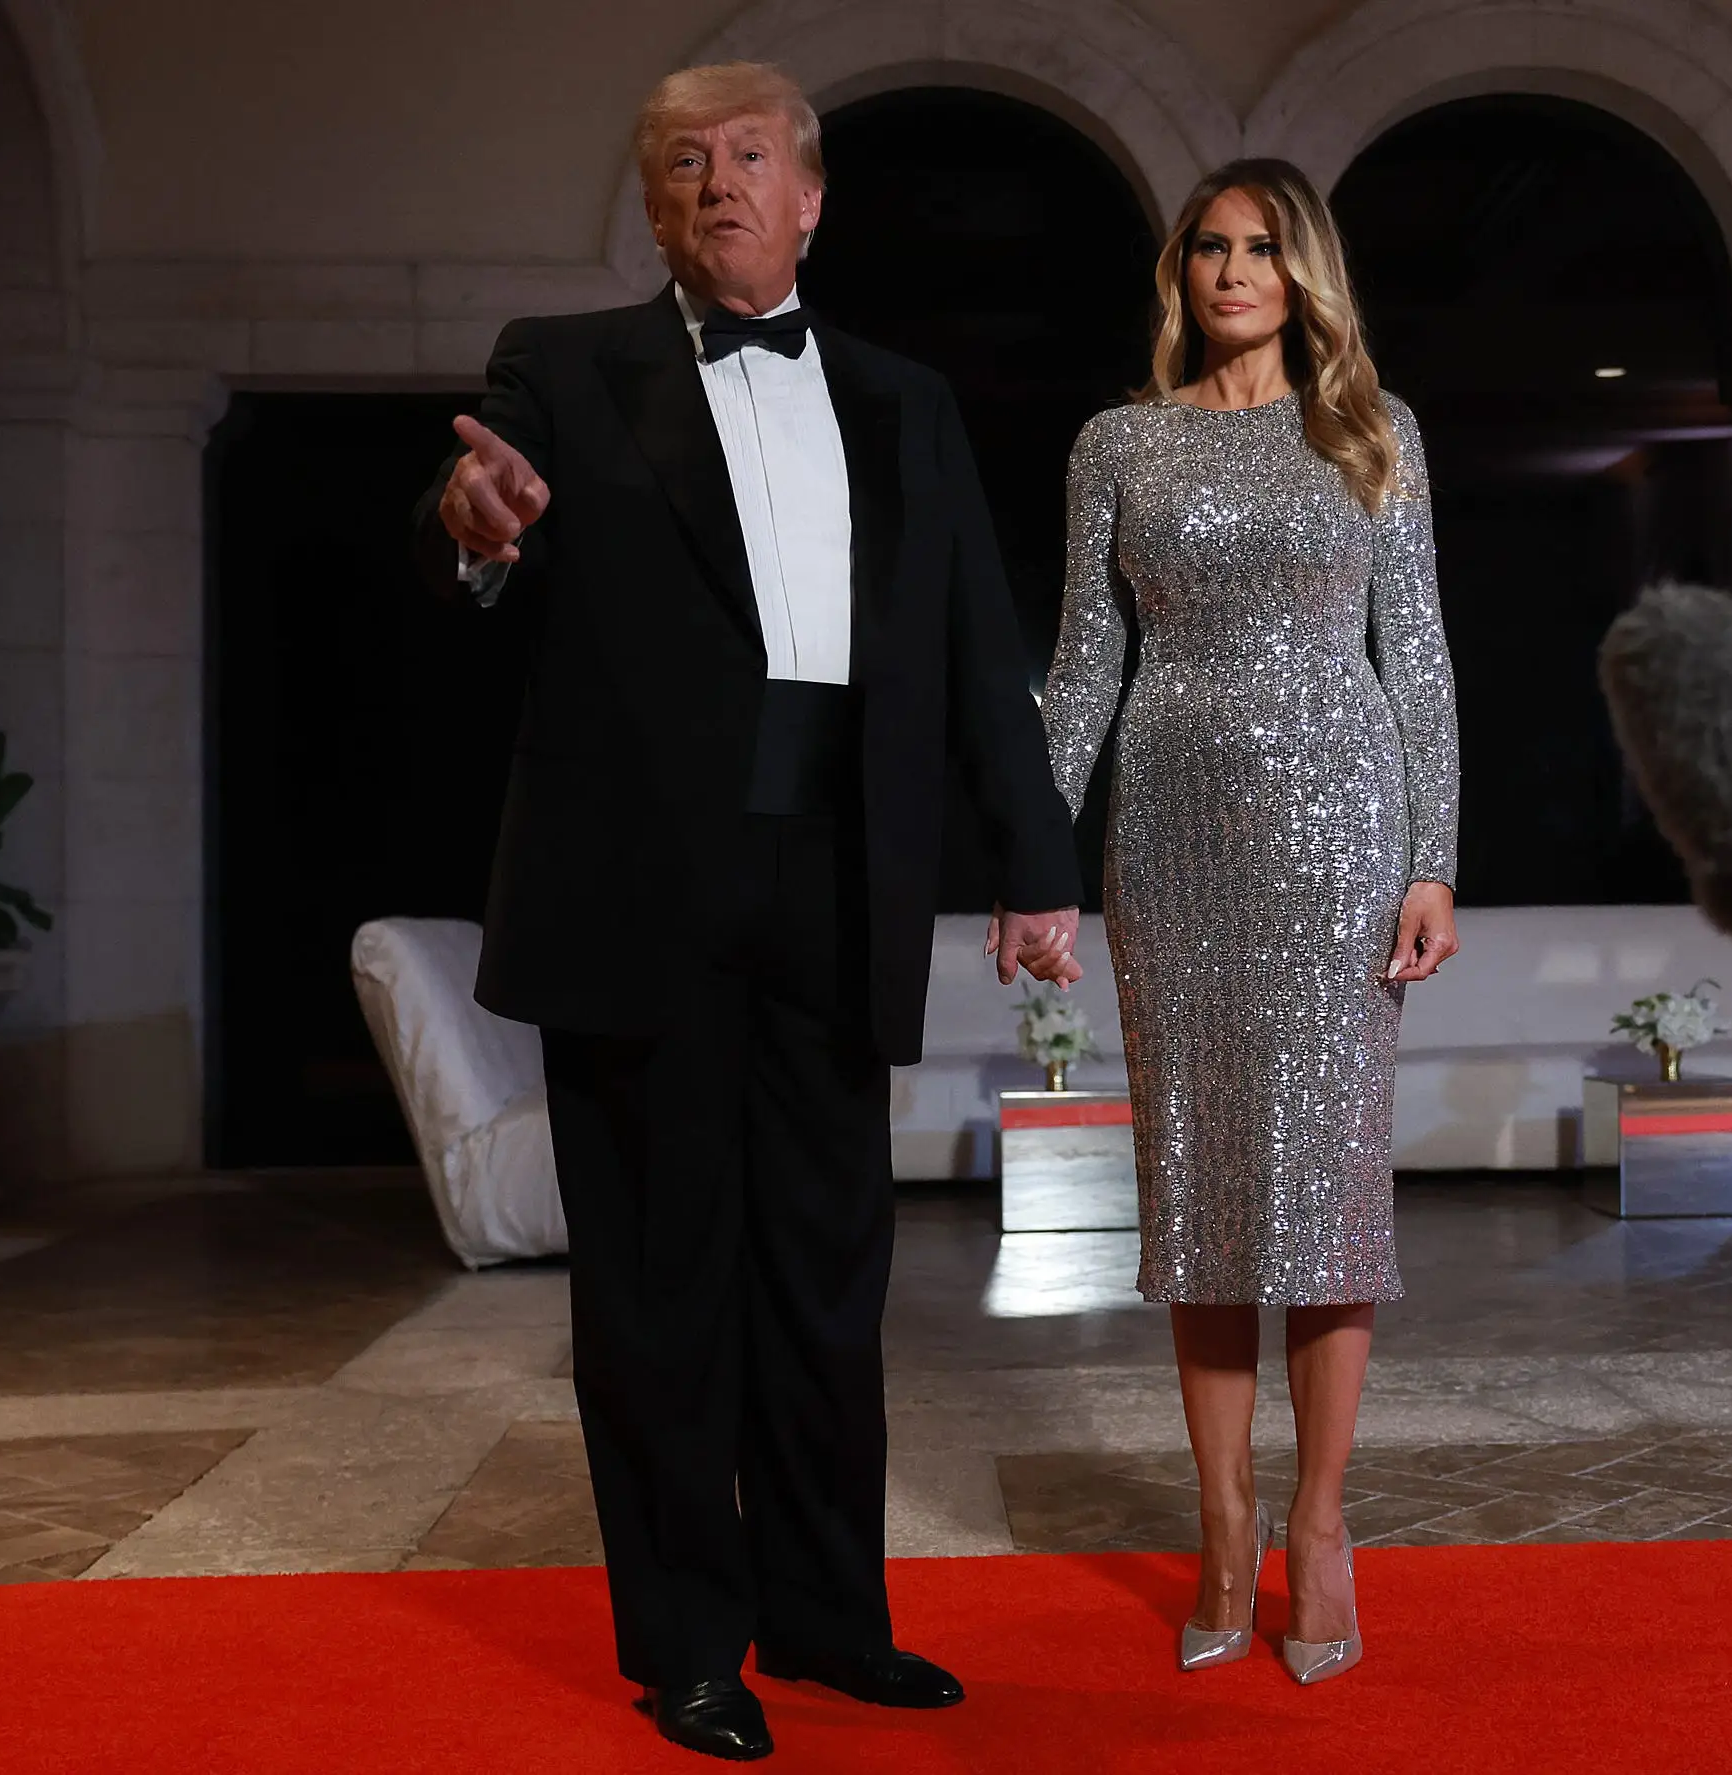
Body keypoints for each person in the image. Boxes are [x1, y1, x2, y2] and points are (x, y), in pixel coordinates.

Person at [413, 62, 1083, 1763]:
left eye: (752, 155)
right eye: (685, 164)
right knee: (655, 1286)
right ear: (659, 209)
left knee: (822, 1275)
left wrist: (1035, 862)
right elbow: (475, 534)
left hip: (839, 870)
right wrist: (474, 529)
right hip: (639, 884)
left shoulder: (902, 397)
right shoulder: (563, 367)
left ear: (809, 199)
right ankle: (687, 1643)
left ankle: (828, 1618)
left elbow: (964, 644)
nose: (720, 182)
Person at [1040, 159, 1461, 1686]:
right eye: (1208, 247)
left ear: (1303, 273)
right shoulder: (1117, 444)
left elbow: (1415, 660)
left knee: (1330, 1201)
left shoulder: (1368, 431)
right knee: (1204, 1194)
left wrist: (1433, 856)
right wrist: (1034, 853)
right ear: (1182, 271)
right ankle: (1221, 1525)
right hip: (1168, 840)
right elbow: (1084, 666)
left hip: (1342, 840)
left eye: (1260, 249)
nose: (1230, 271)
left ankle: (1324, 1522)